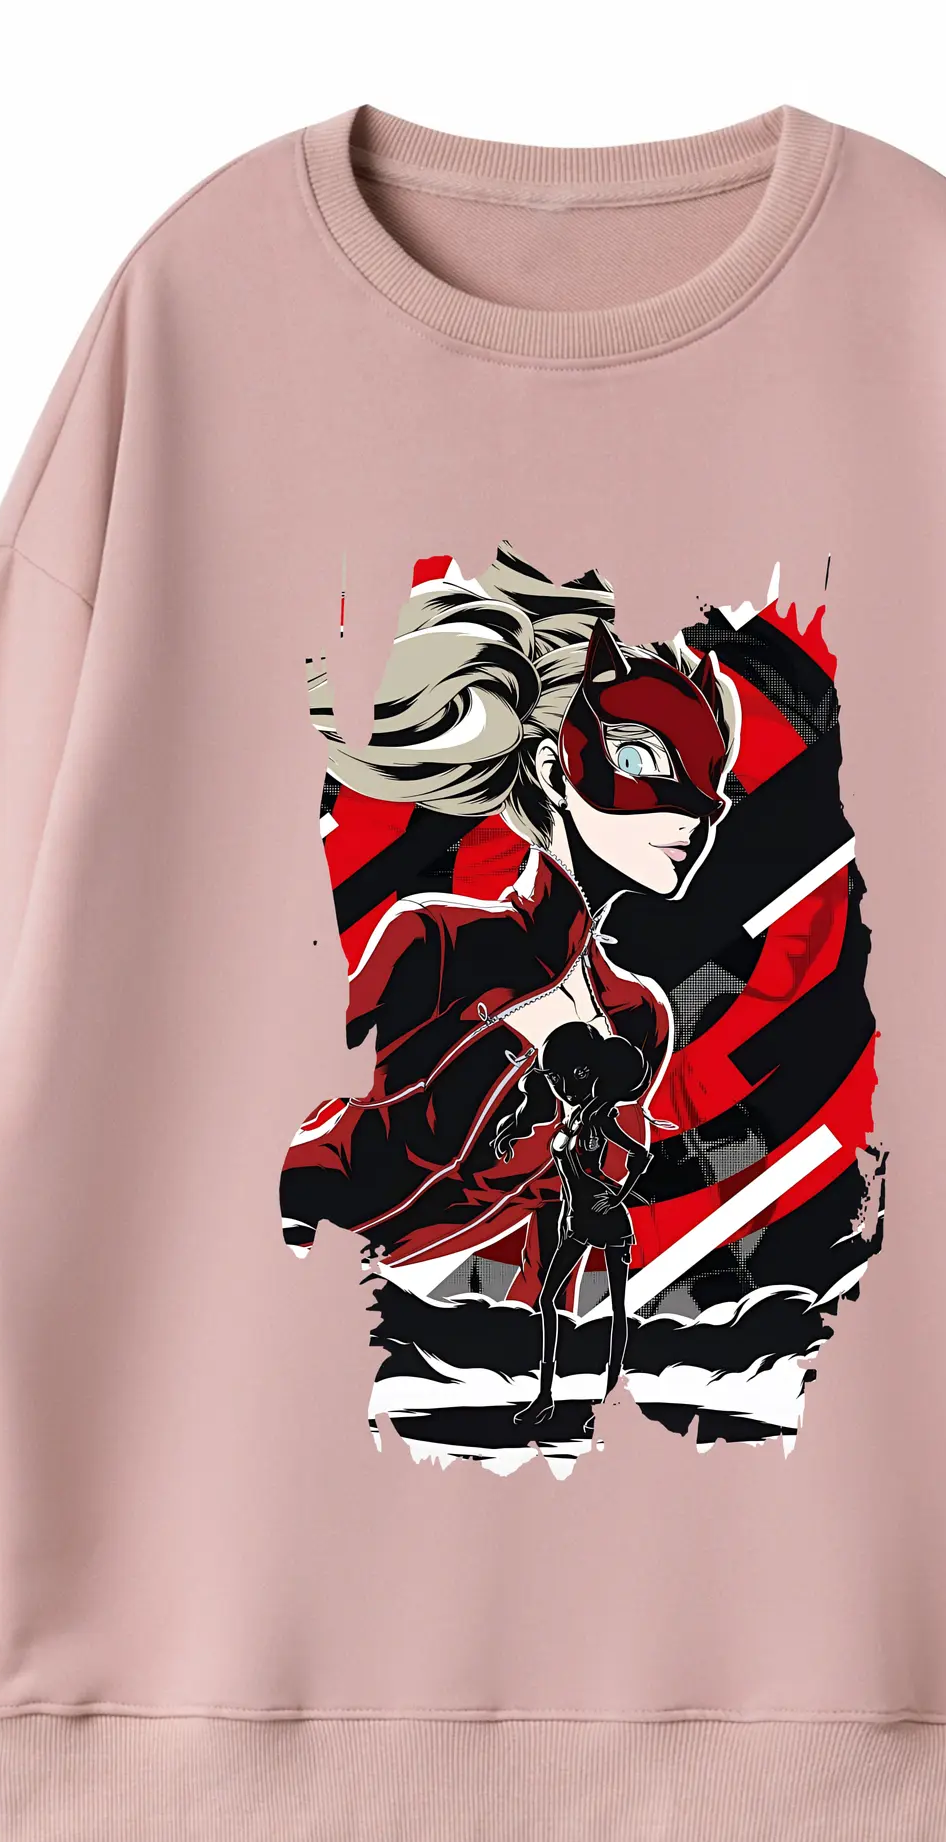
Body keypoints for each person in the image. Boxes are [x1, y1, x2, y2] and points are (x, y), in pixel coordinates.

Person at [278, 546, 739, 1322]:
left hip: (451, 1337)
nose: (702, 809)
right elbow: (300, 1123)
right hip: (303, 1291)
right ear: (556, 771)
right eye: (644, 757)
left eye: (713, 780)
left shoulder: (638, 1020)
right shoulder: (433, 943)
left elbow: (556, 1226)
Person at [490, 1021, 652, 1422]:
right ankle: (544, 1397)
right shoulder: (577, 1115)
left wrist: (617, 1197)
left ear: (580, 1072)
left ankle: (611, 1403)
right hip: (578, 1219)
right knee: (547, 1299)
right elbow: (569, 1176)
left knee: (617, 1310)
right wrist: (567, 1211)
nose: (555, 1086)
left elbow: (640, 1156)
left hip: (608, 1219)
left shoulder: (599, 1116)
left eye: (557, 1078)